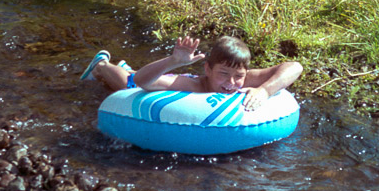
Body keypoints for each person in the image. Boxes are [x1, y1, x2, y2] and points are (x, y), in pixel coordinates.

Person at [80, 36, 302, 111]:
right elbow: (141, 82)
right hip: (148, 84)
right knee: (128, 81)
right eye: (223, 74)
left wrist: (264, 91)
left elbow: (296, 67)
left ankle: (122, 66)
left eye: (238, 76)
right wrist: (174, 61)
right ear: (207, 69)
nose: (231, 82)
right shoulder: (192, 85)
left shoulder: (242, 79)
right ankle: (101, 65)